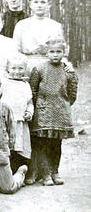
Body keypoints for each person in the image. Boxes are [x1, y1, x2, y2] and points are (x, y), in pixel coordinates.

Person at [28, 37, 78, 186]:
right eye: (52, 52)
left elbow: (72, 92)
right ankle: (46, 174)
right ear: (46, 53)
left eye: (58, 52)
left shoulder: (67, 70)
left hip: (60, 113)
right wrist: (40, 106)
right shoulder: (39, 69)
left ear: (64, 53)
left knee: (57, 144)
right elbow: (33, 90)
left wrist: (63, 104)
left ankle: (55, 171)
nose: (55, 55)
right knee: (43, 143)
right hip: (43, 113)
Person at [13, 0, 65, 72]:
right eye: (36, 2)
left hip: (51, 68)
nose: (39, 5)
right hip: (27, 67)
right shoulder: (21, 25)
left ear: (49, 5)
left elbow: (62, 51)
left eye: (43, 2)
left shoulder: (56, 26)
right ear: (30, 4)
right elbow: (15, 52)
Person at [0, 55, 33, 173]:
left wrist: (29, 112)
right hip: (5, 122)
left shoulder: (25, 85)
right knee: (7, 146)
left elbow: (29, 102)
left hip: (20, 122)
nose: (17, 72)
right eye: (13, 68)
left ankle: (19, 172)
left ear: (25, 69)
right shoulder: (3, 83)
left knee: (20, 147)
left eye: (20, 69)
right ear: (8, 68)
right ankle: (5, 174)